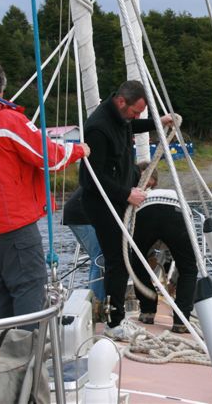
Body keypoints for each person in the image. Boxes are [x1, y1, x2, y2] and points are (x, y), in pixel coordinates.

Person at [0, 59, 90, 325]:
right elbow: (49, 157)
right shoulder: (6, 120)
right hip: (12, 223)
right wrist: (80, 150)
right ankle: (23, 356)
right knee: (28, 286)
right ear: (1, 88)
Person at [78, 80, 175, 339]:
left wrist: (159, 121)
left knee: (123, 259)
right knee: (117, 261)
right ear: (122, 102)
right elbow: (92, 178)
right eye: (134, 111)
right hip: (103, 204)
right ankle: (113, 322)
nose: (135, 117)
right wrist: (126, 193)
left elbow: (132, 124)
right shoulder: (98, 128)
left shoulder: (120, 117)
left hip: (118, 200)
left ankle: (116, 317)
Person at [130, 164, 198, 334]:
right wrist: (174, 281)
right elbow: (185, 259)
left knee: (137, 262)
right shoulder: (175, 195)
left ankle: (147, 311)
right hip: (176, 213)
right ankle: (181, 321)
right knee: (188, 269)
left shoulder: (143, 196)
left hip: (146, 212)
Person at [63, 188, 105, 301]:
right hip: (81, 215)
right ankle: (98, 301)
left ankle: (93, 296)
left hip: (76, 213)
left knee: (96, 258)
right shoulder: (125, 179)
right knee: (100, 258)